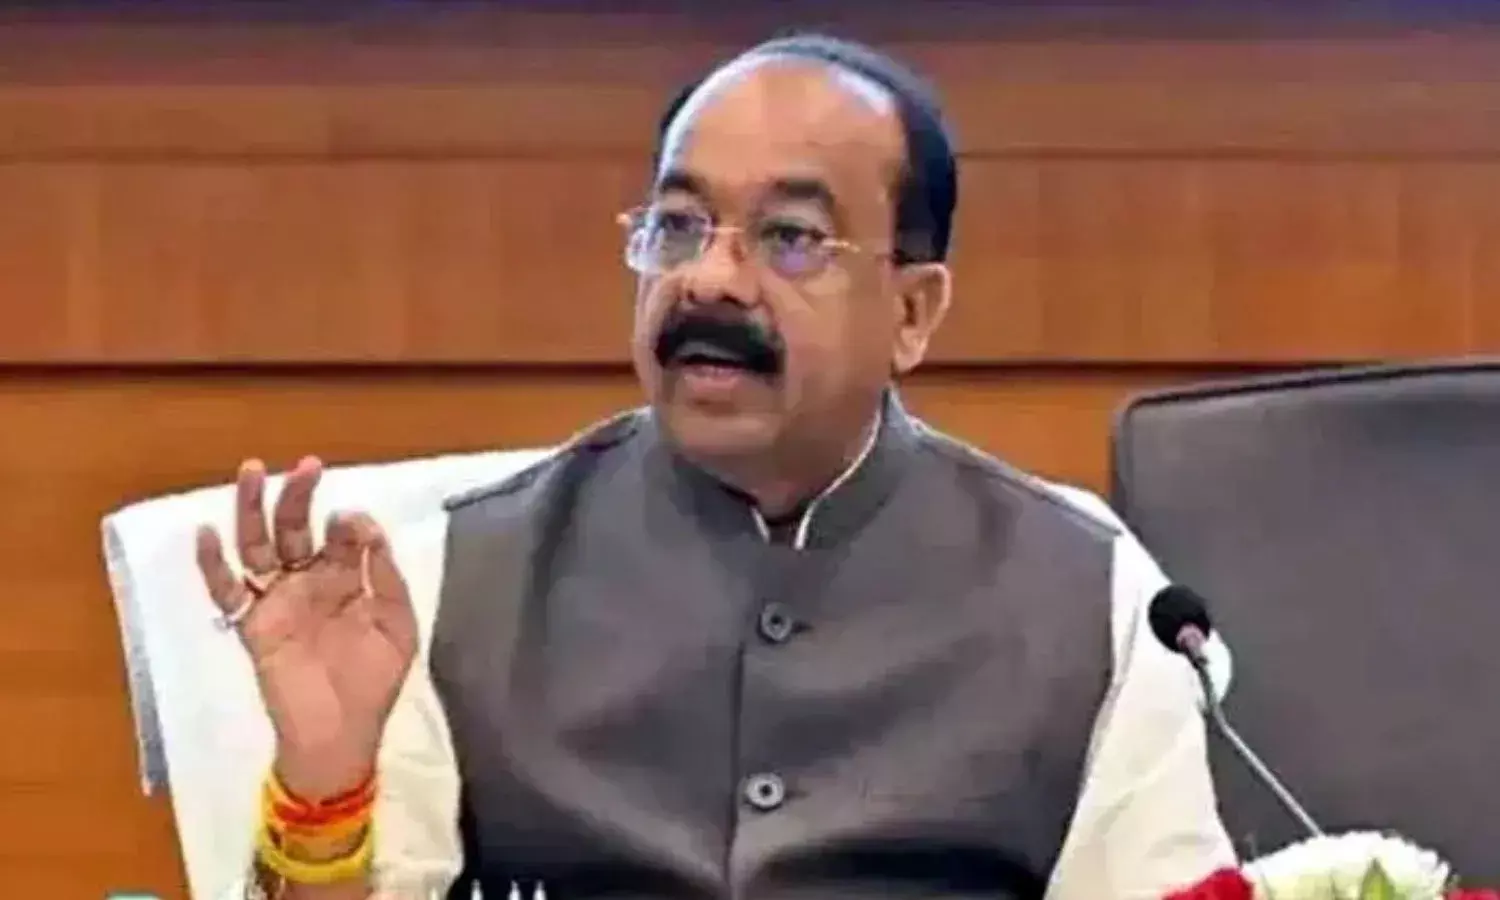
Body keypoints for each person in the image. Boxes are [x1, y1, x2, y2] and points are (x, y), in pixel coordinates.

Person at [197, 33, 1235, 900]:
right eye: (679, 226)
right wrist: (324, 783)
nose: (709, 279)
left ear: (913, 312)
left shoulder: (1095, 602)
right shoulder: (447, 582)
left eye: (790, 237)